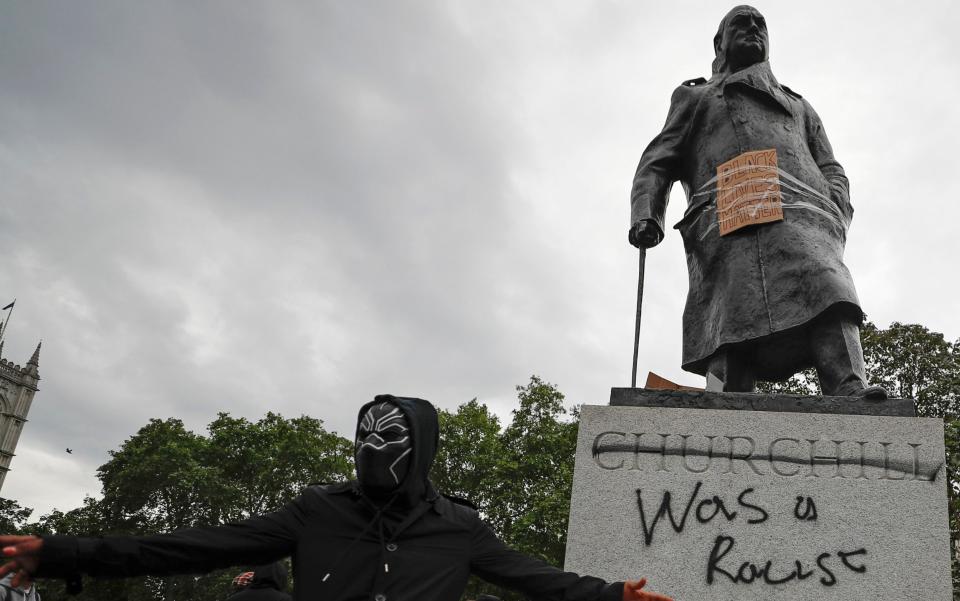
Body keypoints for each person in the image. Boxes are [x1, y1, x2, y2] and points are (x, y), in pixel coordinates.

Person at [0, 395, 672, 601]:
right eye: (366, 436)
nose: (374, 450)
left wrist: (614, 595)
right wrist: (59, 550)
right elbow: (188, 545)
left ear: (424, 447)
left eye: (392, 437)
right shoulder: (316, 512)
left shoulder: (459, 528)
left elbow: (538, 578)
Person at [628, 5, 886, 399]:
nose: (752, 29)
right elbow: (657, 162)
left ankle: (849, 385)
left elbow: (831, 166)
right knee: (730, 315)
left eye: (760, 24)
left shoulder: (799, 106)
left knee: (829, 286)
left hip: (803, 217)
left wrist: (835, 205)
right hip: (729, 216)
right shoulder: (696, 98)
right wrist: (647, 214)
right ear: (720, 42)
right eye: (741, 24)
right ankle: (726, 395)